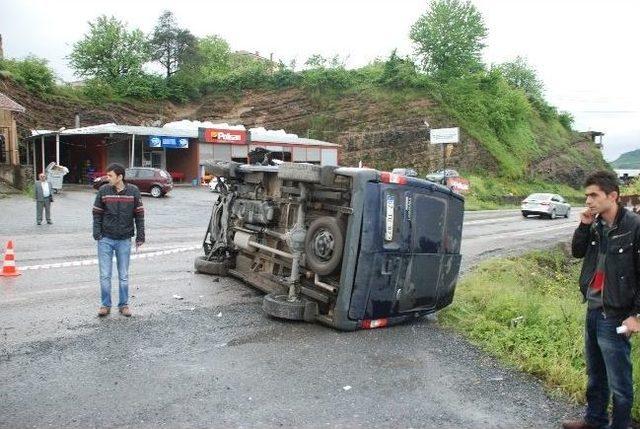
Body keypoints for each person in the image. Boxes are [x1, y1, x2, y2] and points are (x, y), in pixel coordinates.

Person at [563, 170, 640, 429]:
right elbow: (576, 252)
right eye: (586, 196)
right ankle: (594, 420)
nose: (588, 201)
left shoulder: (634, 226)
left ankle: (620, 425)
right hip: (594, 308)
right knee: (595, 373)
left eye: (594, 195)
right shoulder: (595, 224)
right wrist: (583, 225)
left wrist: (636, 315)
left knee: (619, 379)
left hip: (617, 314)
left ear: (613, 196)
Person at [92, 163, 145, 317]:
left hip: (124, 240)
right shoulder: (103, 191)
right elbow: (96, 213)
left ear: (120, 177)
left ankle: (123, 305)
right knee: (105, 275)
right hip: (105, 239)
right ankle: (105, 305)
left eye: (110, 176)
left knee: (123, 275)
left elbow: (139, 215)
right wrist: (97, 234)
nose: (107, 178)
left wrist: (140, 236)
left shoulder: (133, 191)